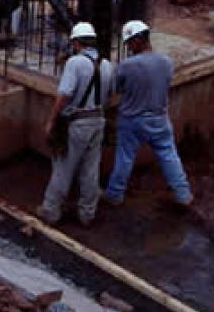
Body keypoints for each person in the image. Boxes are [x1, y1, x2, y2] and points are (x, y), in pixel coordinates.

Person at [105, 20, 193, 207]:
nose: (128, 47)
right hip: (159, 118)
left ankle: (114, 195)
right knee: (169, 155)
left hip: (132, 120)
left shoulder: (127, 66)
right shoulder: (167, 63)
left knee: (125, 158)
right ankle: (183, 195)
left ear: (137, 40)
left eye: (129, 43)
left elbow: (116, 88)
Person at [37, 22, 113, 226]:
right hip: (98, 120)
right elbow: (109, 95)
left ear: (77, 43)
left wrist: (52, 120)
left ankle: (50, 210)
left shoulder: (75, 63)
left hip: (78, 123)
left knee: (63, 168)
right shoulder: (106, 64)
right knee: (90, 169)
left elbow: (65, 95)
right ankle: (87, 214)